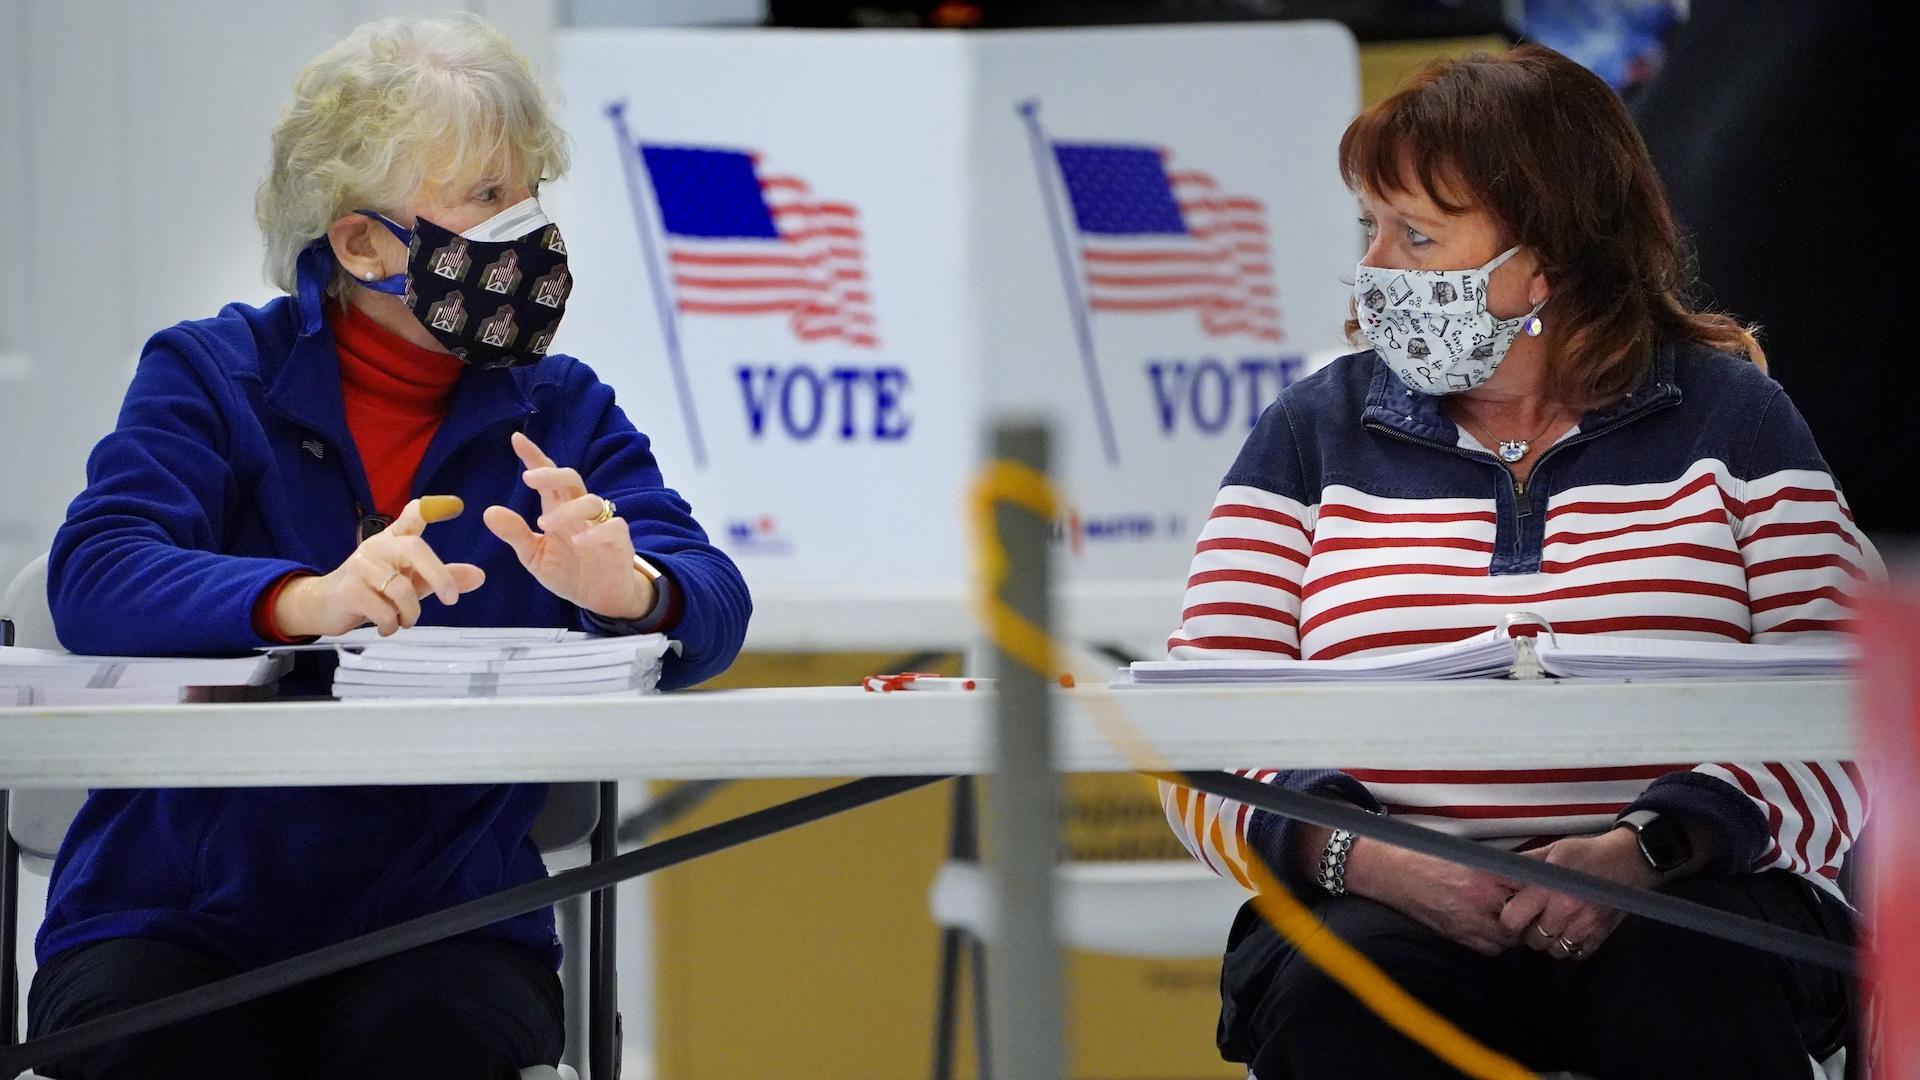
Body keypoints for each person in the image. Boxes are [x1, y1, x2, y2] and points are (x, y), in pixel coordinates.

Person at [30, 15, 750, 1080]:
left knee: (426, 1046)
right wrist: (307, 600)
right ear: (362, 244)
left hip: (447, 922)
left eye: (527, 193)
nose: (525, 230)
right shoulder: (210, 376)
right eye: (484, 199)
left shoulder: (561, 409)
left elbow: (714, 604)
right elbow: (96, 572)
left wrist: (632, 588)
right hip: (171, 919)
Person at [1163, 45, 1871, 1080]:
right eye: (1373, 228)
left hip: (1689, 897)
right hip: (1383, 910)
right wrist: (1366, 857)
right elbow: (1199, 728)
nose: (1378, 271)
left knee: (1693, 984)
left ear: (1547, 259)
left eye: (1418, 235)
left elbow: (1850, 711)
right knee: (1343, 999)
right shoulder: (1311, 431)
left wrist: (1648, 852)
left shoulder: (1739, 422)